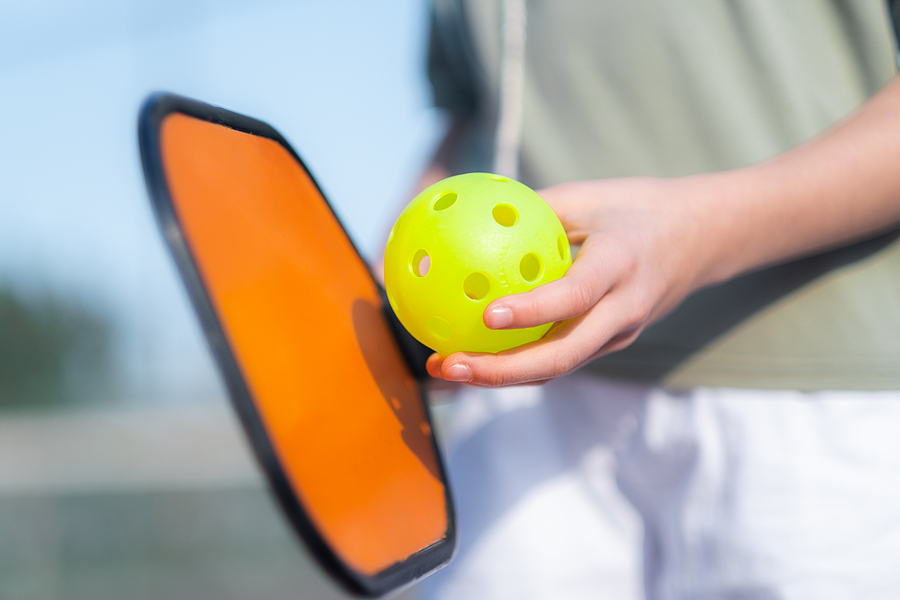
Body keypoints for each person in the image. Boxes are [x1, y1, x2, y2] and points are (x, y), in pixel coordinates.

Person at [410, 1, 900, 599]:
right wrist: (397, 303)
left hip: (808, 393)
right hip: (515, 407)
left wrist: (702, 231)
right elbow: (472, 108)